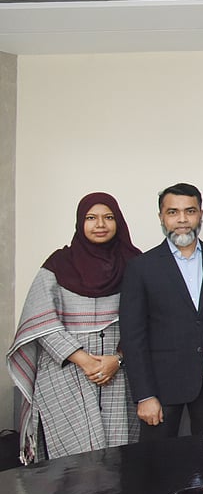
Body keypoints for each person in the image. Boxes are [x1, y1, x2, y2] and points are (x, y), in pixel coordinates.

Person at [7, 192, 141, 463]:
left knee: (120, 460)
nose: (100, 224)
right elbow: (41, 322)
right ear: (80, 222)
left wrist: (117, 359)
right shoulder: (58, 264)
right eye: (91, 218)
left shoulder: (135, 264)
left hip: (118, 372)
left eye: (108, 217)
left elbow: (146, 319)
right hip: (66, 371)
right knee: (73, 463)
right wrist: (84, 360)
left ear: (118, 222)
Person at [120, 183, 203, 439]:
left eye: (190, 211)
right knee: (158, 460)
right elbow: (133, 337)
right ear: (161, 217)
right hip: (161, 388)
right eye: (173, 212)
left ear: (201, 214)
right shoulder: (141, 267)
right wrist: (144, 395)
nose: (182, 219)